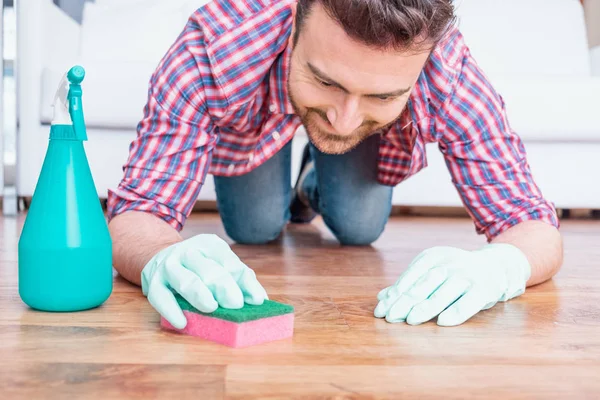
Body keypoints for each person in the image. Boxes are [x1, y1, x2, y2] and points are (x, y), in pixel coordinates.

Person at [107, 0, 563, 328]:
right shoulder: (214, 46)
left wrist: (502, 266)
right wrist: (158, 254)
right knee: (254, 228)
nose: (344, 121)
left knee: (359, 227)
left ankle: (310, 181)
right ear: (294, 23)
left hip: (354, 133)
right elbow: (139, 211)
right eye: (325, 79)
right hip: (255, 123)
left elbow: (531, 223)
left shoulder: (450, 70)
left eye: (383, 94)